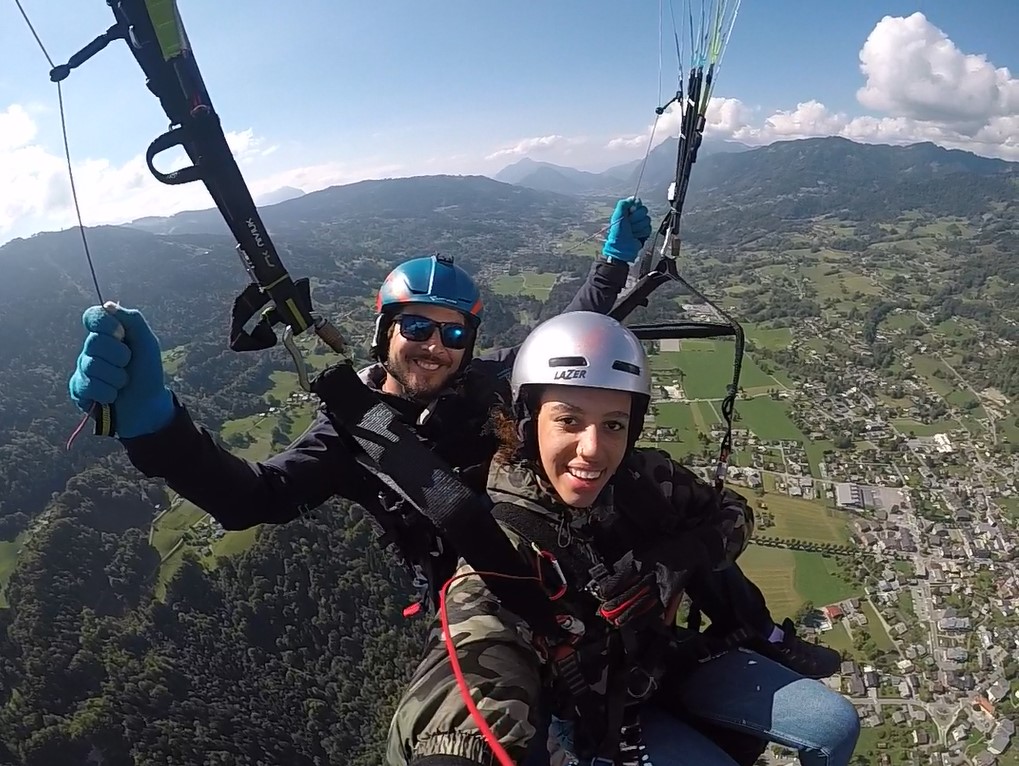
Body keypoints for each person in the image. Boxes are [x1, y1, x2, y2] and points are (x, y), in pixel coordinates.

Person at [66, 196, 838, 677]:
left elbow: (562, 339)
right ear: (384, 332)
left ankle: (756, 633)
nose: (434, 347)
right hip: (480, 594)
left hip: (559, 555)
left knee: (654, 498)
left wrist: (611, 263)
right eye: (416, 328)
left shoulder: (486, 383)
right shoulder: (350, 434)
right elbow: (253, 498)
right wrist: (157, 427)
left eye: (453, 333)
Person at [385, 311, 860, 766]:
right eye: (569, 420)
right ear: (528, 424)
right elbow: (477, 646)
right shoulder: (506, 541)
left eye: (613, 423)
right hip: (592, 717)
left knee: (835, 725)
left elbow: (734, 513)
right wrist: (453, 751)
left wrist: (681, 556)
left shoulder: (644, 481)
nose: (593, 449)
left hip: (664, 663)